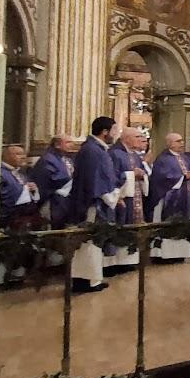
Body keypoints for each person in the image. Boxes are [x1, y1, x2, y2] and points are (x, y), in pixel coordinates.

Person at [70, 116, 124, 292]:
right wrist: (110, 195)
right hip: (92, 203)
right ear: (104, 132)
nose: (116, 134)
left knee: (93, 242)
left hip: (97, 199)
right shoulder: (92, 150)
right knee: (90, 240)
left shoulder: (97, 149)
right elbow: (94, 179)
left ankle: (90, 278)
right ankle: (86, 280)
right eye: (114, 130)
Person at [148, 133, 190, 260]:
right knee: (168, 224)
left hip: (184, 196)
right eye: (178, 141)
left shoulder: (183, 158)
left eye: (182, 141)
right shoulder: (163, 159)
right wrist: (183, 177)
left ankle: (180, 254)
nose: (182, 143)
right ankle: (164, 255)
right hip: (169, 198)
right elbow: (161, 178)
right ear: (169, 143)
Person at [33, 135, 75, 229]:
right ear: (57, 145)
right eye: (68, 142)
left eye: (71, 142)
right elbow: (46, 182)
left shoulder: (67, 159)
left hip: (67, 200)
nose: (72, 145)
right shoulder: (47, 159)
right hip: (53, 201)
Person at [110, 127, 149, 225]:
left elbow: (143, 173)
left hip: (136, 195)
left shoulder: (135, 155)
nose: (140, 139)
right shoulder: (115, 153)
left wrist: (142, 175)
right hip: (122, 197)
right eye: (137, 137)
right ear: (127, 138)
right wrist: (132, 174)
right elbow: (111, 176)